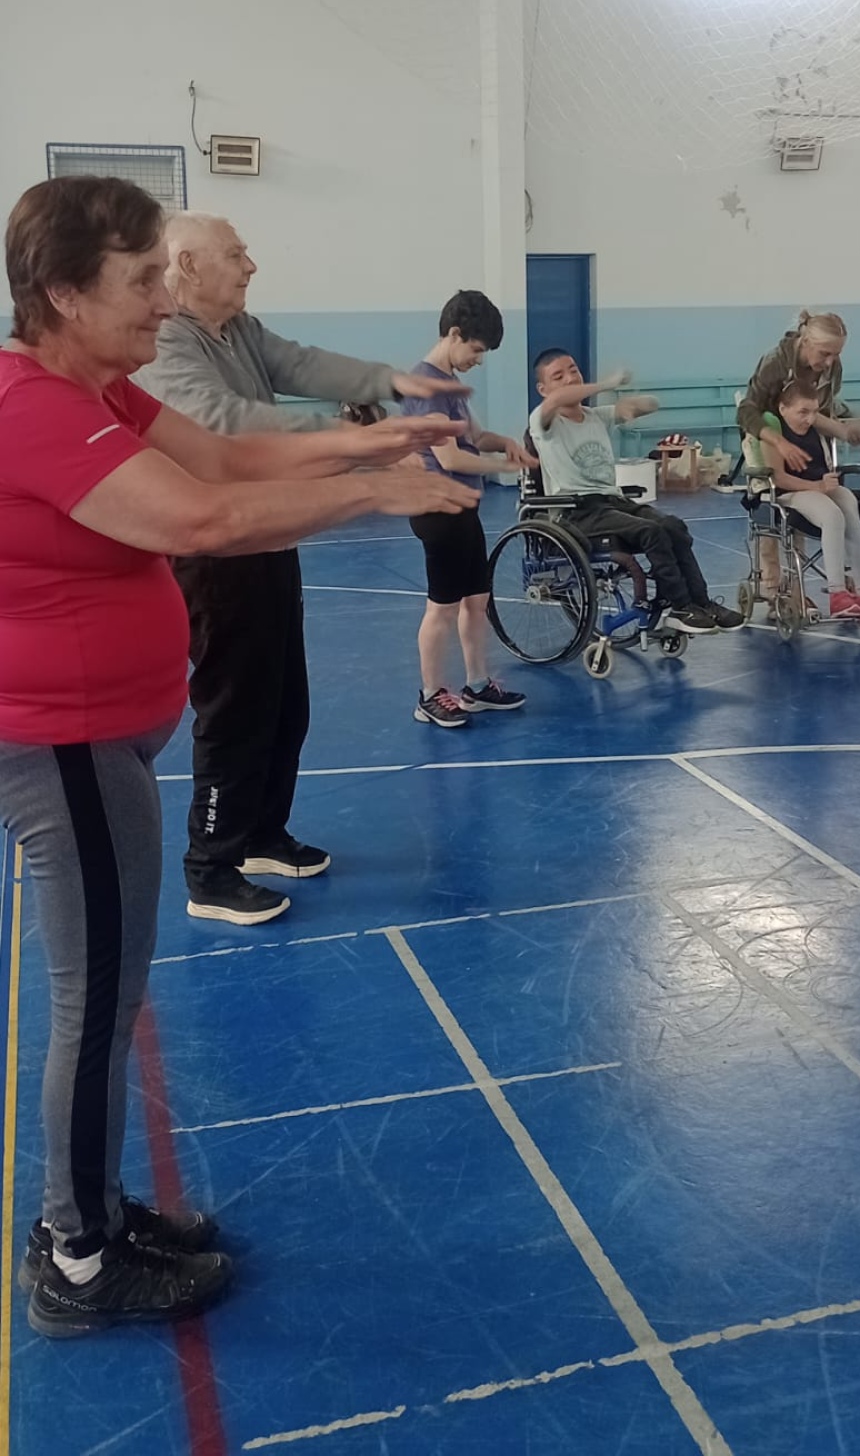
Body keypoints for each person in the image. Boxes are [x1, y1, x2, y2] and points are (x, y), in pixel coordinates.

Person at [0, 176, 477, 1338]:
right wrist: (373, 490)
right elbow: (199, 523)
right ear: (63, 293)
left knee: (103, 993)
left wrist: (384, 432)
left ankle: (91, 1205)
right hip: (59, 736)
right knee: (96, 996)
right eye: (140, 280)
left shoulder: (98, 386)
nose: (164, 301)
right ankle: (76, 1253)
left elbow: (217, 463)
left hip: (101, 729)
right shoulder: (34, 408)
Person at [135, 211, 473, 924]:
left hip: (271, 535)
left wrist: (392, 382)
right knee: (234, 711)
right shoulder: (168, 343)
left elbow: (301, 363)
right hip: (216, 553)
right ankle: (210, 870)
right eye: (236, 253)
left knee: (286, 705)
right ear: (189, 267)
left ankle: (261, 834)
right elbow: (225, 423)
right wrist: (359, 439)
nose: (250, 264)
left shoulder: (241, 330)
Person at [529, 351, 744, 632]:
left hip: (611, 501)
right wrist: (606, 384)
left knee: (673, 526)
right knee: (651, 532)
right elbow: (557, 400)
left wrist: (634, 403)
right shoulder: (543, 423)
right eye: (559, 376)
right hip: (576, 510)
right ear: (543, 389)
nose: (570, 378)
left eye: (573, 370)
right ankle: (680, 608)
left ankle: (701, 603)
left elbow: (650, 404)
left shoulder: (595, 417)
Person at [400, 291, 536, 729]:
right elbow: (451, 458)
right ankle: (430, 694)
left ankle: (476, 685)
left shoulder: (450, 386)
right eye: (476, 350)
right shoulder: (425, 387)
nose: (478, 360)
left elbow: (473, 436)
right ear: (454, 335)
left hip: (464, 508)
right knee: (442, 606)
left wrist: (507, 444)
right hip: (437, 509)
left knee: (476, 600)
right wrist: (501, 466)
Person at [737, 310, 860, 604]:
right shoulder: (776, 362)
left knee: (830, 508)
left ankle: (844, 587)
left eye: (836, 355)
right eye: (825, 353)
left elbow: (824, 414)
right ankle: (774, 587)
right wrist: (779, 441)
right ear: (805, 341)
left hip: (806, 436)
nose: (830, 362)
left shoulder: (830, 368)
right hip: (767, 431)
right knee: (773, 502)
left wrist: (855, 426)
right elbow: (748, 411)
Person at [760, 383, 860, 620]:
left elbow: (846, 431)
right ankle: (837, 594)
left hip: (820, 486)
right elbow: (779, 477)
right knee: (831, 514)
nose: (809, 418)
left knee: (848, 502)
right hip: (789, 492)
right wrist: (817, 487)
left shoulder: (815, 427)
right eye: (802, 412)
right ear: (783, 409)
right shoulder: (775, 434)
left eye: (814, 412)